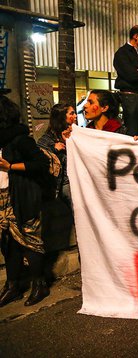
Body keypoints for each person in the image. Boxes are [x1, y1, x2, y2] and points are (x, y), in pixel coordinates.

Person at [0, 95, 52, 307]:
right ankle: (13, 287)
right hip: (1, 197)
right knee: (7, 242)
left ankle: (39, 284)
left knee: (30, 241)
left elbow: (40, 164)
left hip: (21, 196)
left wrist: (10, 166)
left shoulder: (19, 138)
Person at [37, 104, 75, 206]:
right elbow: (39, 158)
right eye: (72, 113)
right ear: (62, 117)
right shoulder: (47, 138)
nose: (75, 116)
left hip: (74, 181)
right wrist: (54, 149)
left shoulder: (75, 133)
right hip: (60, 185)